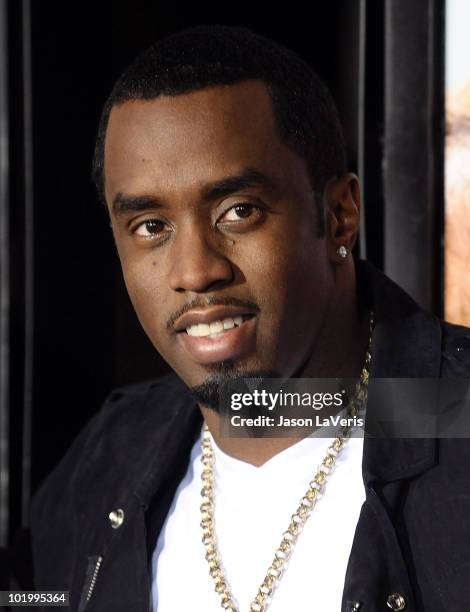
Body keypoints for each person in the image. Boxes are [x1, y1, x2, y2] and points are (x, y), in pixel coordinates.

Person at [30, 25, 470, 612]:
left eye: (239, 211)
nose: (195, 271)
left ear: (339, 216)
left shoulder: (450, 413)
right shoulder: (111, 451)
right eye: (150, 227)